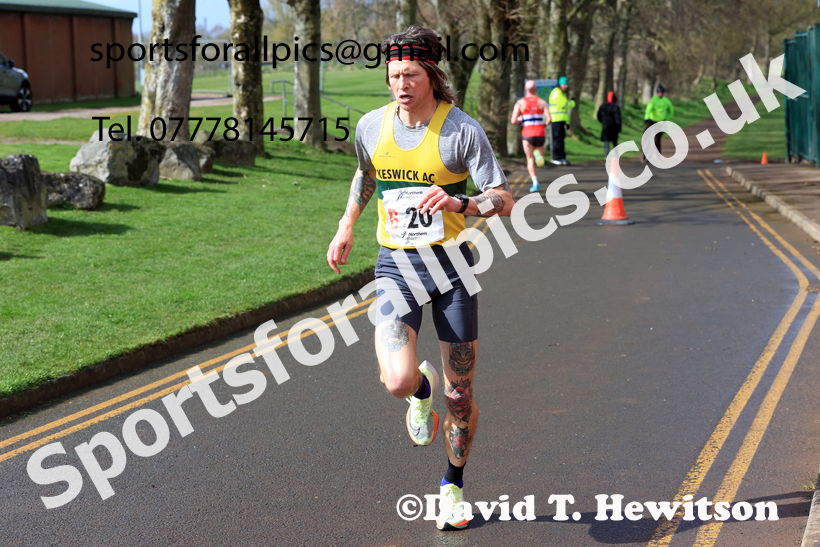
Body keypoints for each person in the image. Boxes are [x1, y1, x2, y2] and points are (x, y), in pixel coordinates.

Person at [326, 24, 514, 531]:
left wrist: (463, 202)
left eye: (409, 74)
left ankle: (451, 486)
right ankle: (418, 390)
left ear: (431, 74)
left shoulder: (461, 131)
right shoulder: (372, 126)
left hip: (452, 269)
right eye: (393, 75)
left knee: (462, 396)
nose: (400, 85)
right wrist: (346, 227)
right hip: (396, 265)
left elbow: (504, 198)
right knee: (397, 381)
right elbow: (367, 173)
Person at [511, 80, 551, 192]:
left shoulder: (520, 103)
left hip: (527, 134)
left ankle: (535, 182)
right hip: (539, 132)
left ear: (526, 89)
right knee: (540, 161)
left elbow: (513, 120)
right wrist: (543, 124)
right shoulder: (542, 102)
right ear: (536, 89)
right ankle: (540, 157)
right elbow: (549, 119)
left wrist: (520, 119)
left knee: (529, 159)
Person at [548, 76, 576, 166]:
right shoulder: (557, 92)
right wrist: (573, 102)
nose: (566, 86)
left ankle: (561, 157)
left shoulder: (561, 93)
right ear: (560, 84)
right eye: (565, 84)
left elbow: (564, 111)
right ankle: (556, 158)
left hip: (560, 120)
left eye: (567, 84)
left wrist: (567, 123)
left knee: (560, 140)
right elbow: (565, 105)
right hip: (556, 120)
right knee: (557, 139)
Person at [642, 85, 675, 163]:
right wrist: (646, 119)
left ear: (664, 93)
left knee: (657, 140)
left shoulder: (666, 101)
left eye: (662, 92)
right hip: (651, 121)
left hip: (660, 123)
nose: (660, 93)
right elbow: (648, 110)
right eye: (659, 92)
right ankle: (644, 154)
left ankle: (658, 156)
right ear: (657, 92)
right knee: (647, 136)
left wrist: (666, 119)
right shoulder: (653, 100)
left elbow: (671, 111)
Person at [597, 91, 621, 157]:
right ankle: (616, 155)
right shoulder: (615, 107)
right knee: (614, 142)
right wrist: (619, 127)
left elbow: (598, 116)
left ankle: (607, 155)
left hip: (606, 127)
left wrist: (603, 122)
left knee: (606, 142)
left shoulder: (603, 106)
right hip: (614, 128)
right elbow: (618, 118)